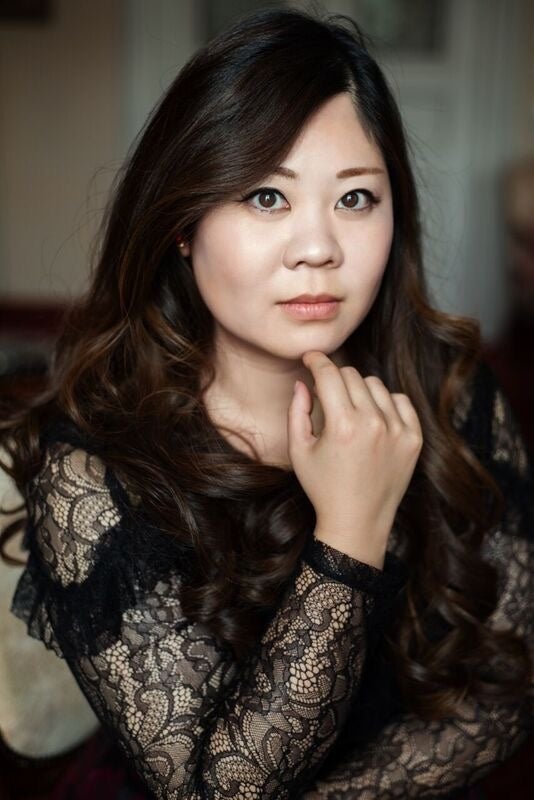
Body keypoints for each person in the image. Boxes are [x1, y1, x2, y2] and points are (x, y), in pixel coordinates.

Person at [0, 7, 532, 799]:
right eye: (266, 197)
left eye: (356, 198)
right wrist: (350, 530)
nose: (318, 248)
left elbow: (506, 689)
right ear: (182, 224)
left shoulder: (451, 391)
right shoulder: (93, 468)